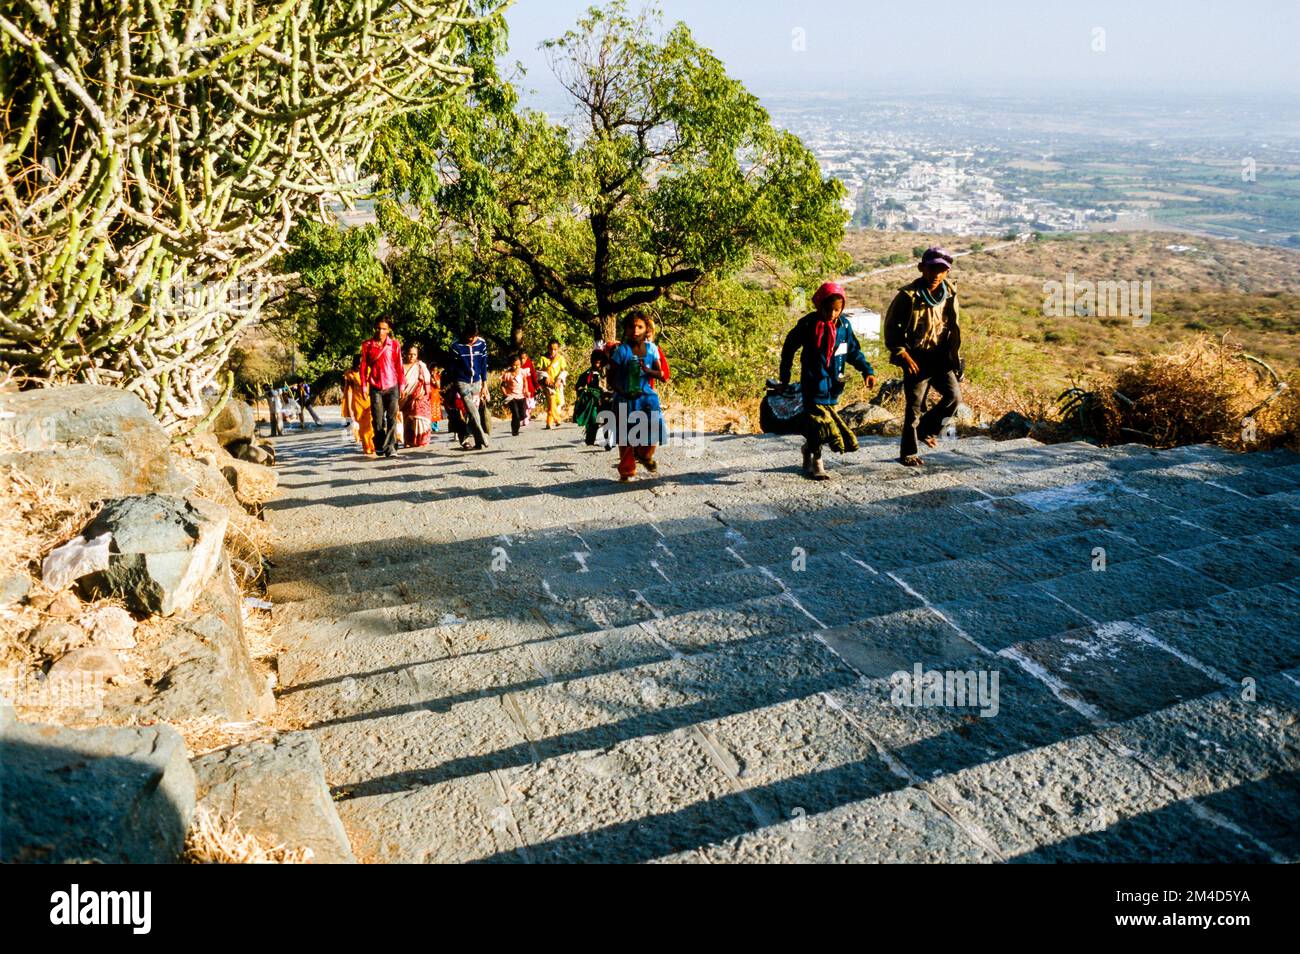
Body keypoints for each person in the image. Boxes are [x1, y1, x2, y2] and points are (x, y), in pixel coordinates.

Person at [779, 281, 876, 480]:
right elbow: (789, 347)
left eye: (837, 310)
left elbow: (853, 352)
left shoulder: (844, 327)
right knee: (819, 423)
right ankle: (817, 461)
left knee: (823, 423)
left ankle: (808, 449)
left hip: (834, 386)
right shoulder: (808, 325)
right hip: (813, 384)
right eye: (828, 309)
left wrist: (867, 371)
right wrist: (785, 374)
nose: (832, 314)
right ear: (819, 306)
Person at [884, 246, 963, 467]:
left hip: (940, 357)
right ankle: (908, 452)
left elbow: (953, 326)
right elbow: (891, 330)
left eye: (941, 270)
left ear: (947, 272)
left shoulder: (950, 293)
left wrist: (955, 356)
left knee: (954, 397)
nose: (936, 274)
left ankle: (927, 430)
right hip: (916, 358)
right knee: (914, 408)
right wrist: (902, 354)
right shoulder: (907, 296)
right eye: (932, 269)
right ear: (921, 268)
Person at [606, 311, 667, 482]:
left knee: (653, 431)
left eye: (640, 327)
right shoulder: (621, 352)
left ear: (646, 329)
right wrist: (622, 391)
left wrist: (648, 371)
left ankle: (645, 456)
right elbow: (611, 378)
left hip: (646, 398)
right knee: (625, 437)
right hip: (625, 398)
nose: (635, 330)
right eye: (631, 326)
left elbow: (660, 373)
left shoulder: (652, 349)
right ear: (625, 329)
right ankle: (627, 471)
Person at [359, 317, 402, 458]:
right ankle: (379, 443)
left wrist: (401, 385)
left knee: (392, 418)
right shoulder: (367, 345)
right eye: (378, 328)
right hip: (376, 386)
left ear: (388, 330)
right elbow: (364, 367)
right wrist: (364, 386)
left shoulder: (394, 345)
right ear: (374, 328)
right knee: (377, 419)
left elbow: (399, 366)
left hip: (392, 385)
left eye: (384, 328)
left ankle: (391, 448)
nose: (380, 331)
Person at [449, 323, 490, 450]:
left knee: (473, 414)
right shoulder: (456, 346)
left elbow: (484, 364)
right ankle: (483, 438)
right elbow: (452, 367)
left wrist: (485, 384)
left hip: (477, 382)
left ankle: (472, 441)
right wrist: (452, 385)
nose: (472, 339)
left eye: (474, 336)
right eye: (469, 336)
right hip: (462, 382)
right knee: (472, 411)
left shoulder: (481, 344)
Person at [573, 348, 609, 446]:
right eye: (596, 361)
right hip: (593, 402)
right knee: (593, 421)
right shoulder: (587, 374)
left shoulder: (607, 372)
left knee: (607, 420)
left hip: (606, 400)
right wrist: (585, 391)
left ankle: (608, 441)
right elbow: (578, 386)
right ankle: (590, 440)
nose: (598, 363)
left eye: (599, 361)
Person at [400, 344, 434, 448]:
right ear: (405, 354)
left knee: (420, 417)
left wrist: (423, 393)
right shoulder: (400, 366)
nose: (412, 357)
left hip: (420, 396)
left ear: (417, 355)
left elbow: (426, 380)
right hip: (405, 397)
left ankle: (422, 440)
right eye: (410, 354)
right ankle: (408, 440)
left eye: (414, 354)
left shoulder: (420, 366)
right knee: (407, 419)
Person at [341, 359, 375, 455]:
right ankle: (367, 447)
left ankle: (373, 445)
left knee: (371, 424)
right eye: (358, 364)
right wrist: (350, 408)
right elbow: (349, 391)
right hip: (357, 402)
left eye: (362, 364)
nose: (360, 366)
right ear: (354, 364)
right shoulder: (350, 374)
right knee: (362, 426)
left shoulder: (369, 370)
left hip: (369, 401)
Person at [538, 339, 568, 429]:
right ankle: (557, 419)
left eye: (555, 349)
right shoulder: (543, 358)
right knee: (551, 399)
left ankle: (549, 422)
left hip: (557, 384)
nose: (553, 351)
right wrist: (545, 376)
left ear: (558, 349)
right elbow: (538, 371)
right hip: (548, 384)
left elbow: (564, 371)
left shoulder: (560, 358)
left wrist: (559, 379)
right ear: (548, 348)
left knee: (556, 402)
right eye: (551, 349)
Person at [500, 354, 529, 436]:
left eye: (518, 365)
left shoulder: (522, 372)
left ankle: (516, 422)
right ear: (510, 365)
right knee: (515, 413)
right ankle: (515, 430)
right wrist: (505, 395)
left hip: (521, 396)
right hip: (511, 397)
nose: (517, 367)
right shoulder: (507, 374)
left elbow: (525, 381)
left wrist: (526, 390)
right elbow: (502, 386)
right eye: (514, 365)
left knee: (522, 415)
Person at [519, 349, 538, 427]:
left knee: (529, 404)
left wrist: (536, 385)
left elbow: (533, 374)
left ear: (526, 358)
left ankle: (527, 415)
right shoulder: (517, 365)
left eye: (524, 358)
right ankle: (524, 417)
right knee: (524, 403)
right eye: (521, 358)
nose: (522, 360)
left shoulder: (529, 364)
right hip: (520, 388)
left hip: (530, 387)